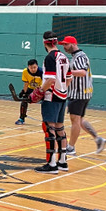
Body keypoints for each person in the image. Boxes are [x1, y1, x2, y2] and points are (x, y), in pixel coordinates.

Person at [29, 31, 72, 174]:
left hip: (51, 96)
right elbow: (69, 78)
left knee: (49, 128)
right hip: (62, 96)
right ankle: (62, 162)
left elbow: (50, 80)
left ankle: (52, 164)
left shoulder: (50, 58)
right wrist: (63, 90)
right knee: (60, 128)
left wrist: (39, 91)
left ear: (44, 42)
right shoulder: (64, 57)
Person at [59, 36, 106, 155]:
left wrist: (67, 72)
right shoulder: (76, 56)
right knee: (79, 120)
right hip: (81, 93)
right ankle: (98, 139)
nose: (64, 47)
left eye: (66, 44)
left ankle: (71, 147)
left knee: (74, 120)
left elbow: (82, 72)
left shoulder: (80, 56)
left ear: (73, 44)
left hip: (79, 93)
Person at [15, 59, 43, 125]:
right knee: (24, 101)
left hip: (41, 90)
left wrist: (39, 92)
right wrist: (24, 92)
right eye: (31, 68)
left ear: (37, 66)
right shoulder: (25, 72)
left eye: (34, 67)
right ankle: (21, 118)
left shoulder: (42, 72)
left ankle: (46, 120)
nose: (33, 69)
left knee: (46, 103)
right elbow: (26, 83)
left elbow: (44, 84)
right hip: (30, 89)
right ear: (28, 67)